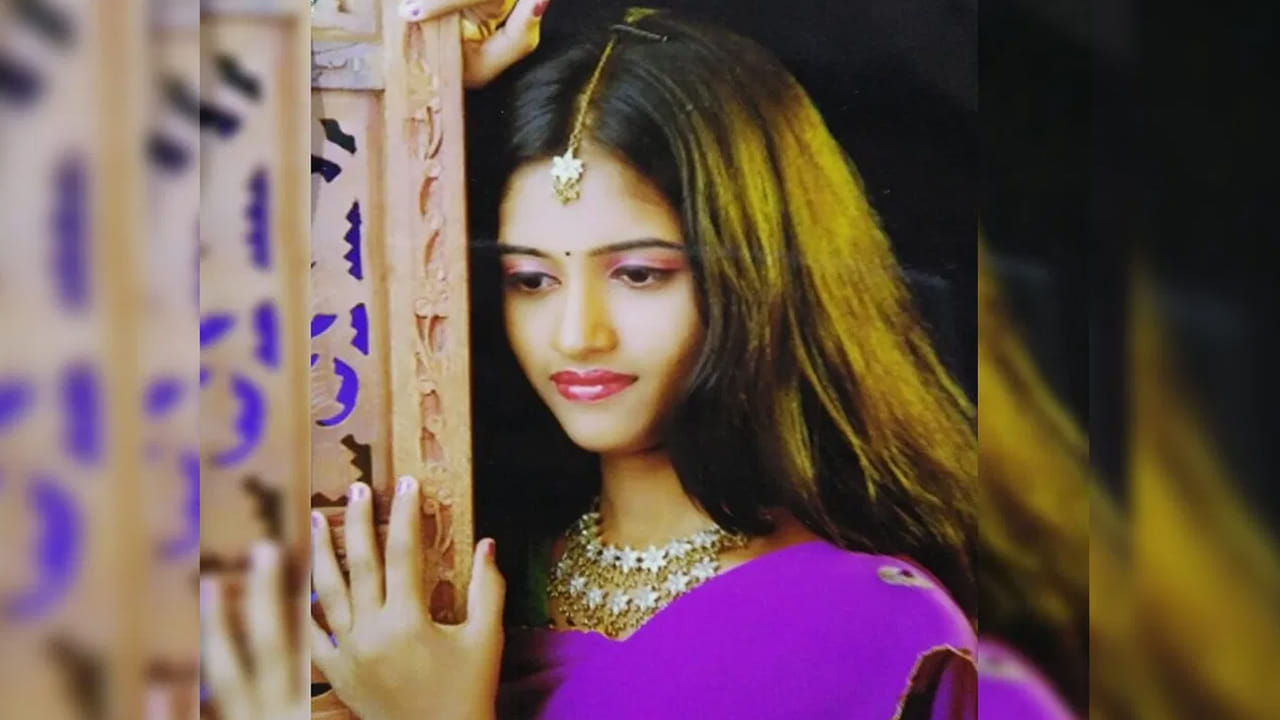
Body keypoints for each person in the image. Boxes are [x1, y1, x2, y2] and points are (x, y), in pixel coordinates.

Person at [201, 3, 980, 719]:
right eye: (531, 279)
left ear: (758, 282)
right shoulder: (447, 585)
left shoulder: (867, 630)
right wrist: (406, 84)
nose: (577, 335)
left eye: (638, 274)